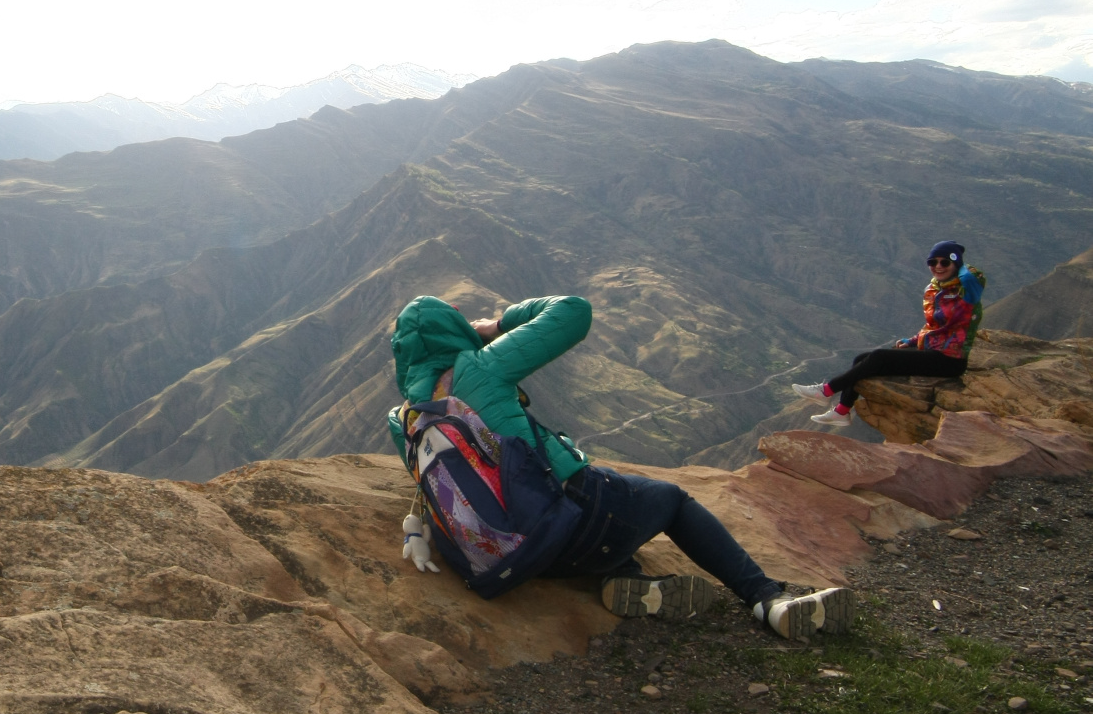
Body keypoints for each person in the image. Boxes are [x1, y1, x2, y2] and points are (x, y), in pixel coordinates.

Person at [387, 293, 852, 641]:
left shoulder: (405, 416)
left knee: (616, 514)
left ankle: (626, 578)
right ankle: (767, 600)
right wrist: (496, 324)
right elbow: (574, 312)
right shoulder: (480, 367)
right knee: (668, 501)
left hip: (512, 557)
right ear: (454, 330)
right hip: (571, 520)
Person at [792, 241, 986, 426]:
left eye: (945, 262)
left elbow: (971, 276)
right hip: (932, 351)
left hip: (950, 360)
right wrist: (911, 341)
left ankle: (827, 390)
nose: (938, 266)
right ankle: (842, 411)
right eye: (933, 262)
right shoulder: (935, 289)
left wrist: (959, 262)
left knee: (879, 357)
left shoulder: (967, 291)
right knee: (862, 358)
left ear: (956, 265)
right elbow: (935, 327)